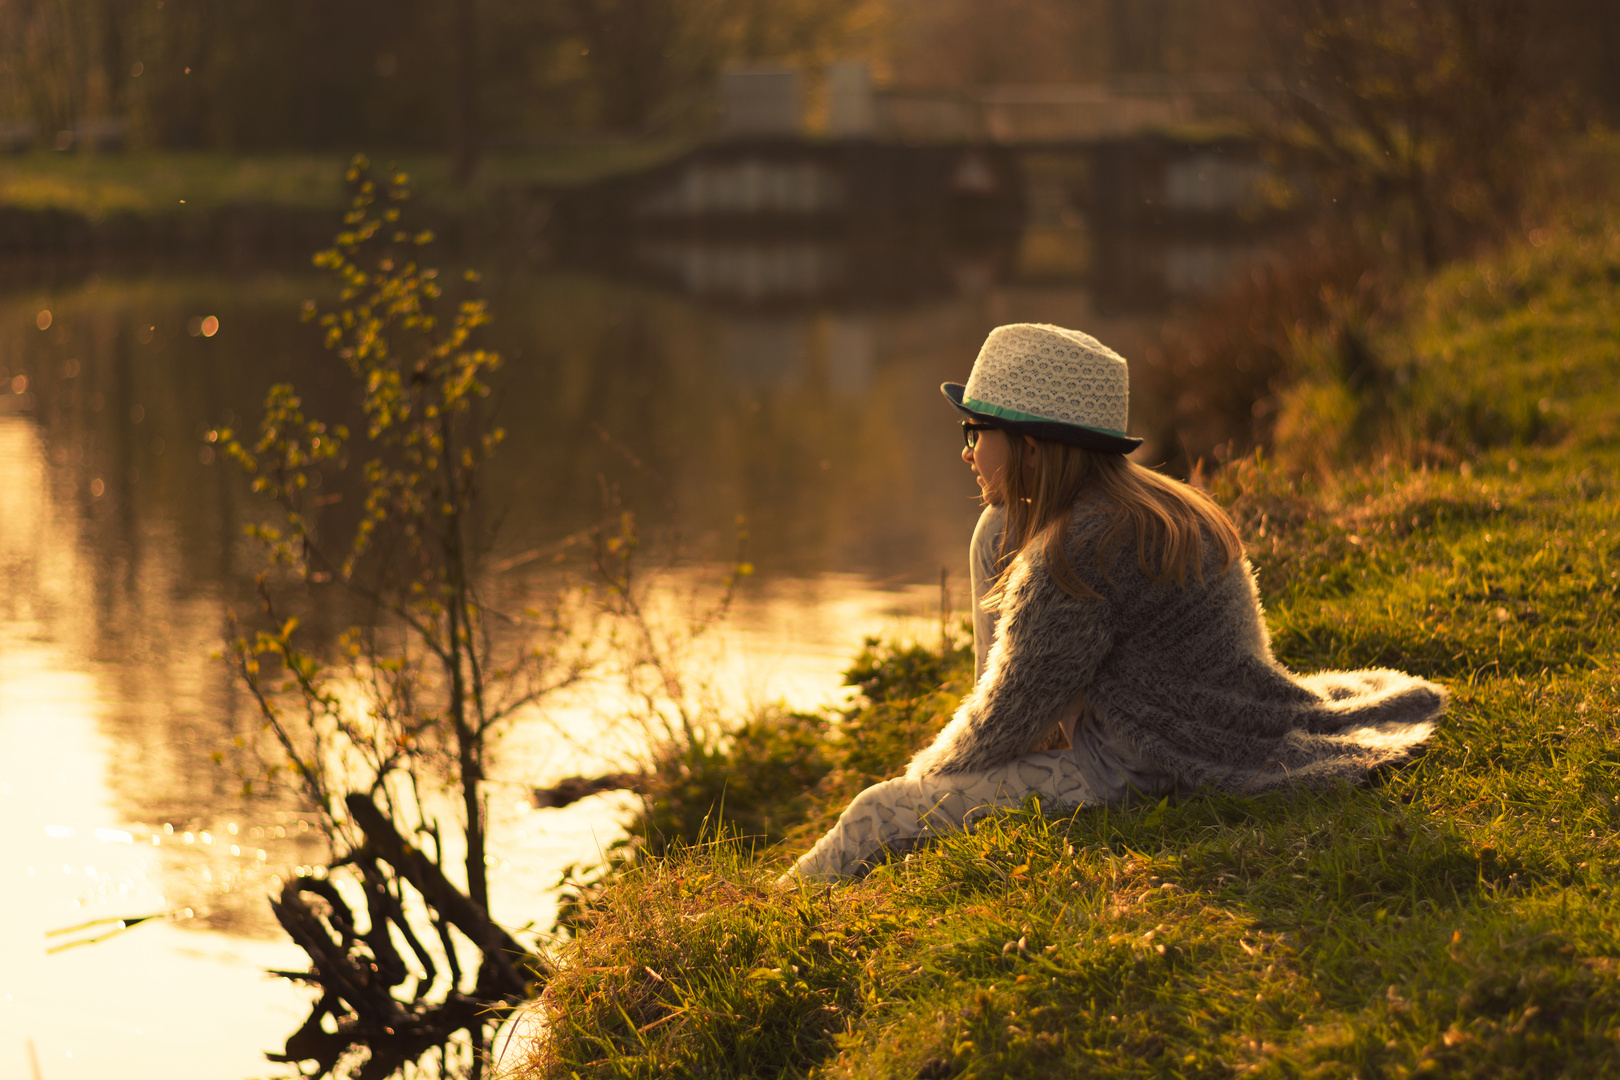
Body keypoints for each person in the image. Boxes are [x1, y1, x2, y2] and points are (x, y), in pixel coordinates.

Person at [784, 323, 1446, 883]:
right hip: (1195, 715)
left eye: (974, 431)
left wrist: (929, 780)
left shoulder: (1075, 555)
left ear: (1032, 449)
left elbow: (1002, 718)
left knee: (881, 810)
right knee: (994, 529)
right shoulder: (1153, 503)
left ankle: (774, 909)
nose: (965, 452)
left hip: (1146, 766)